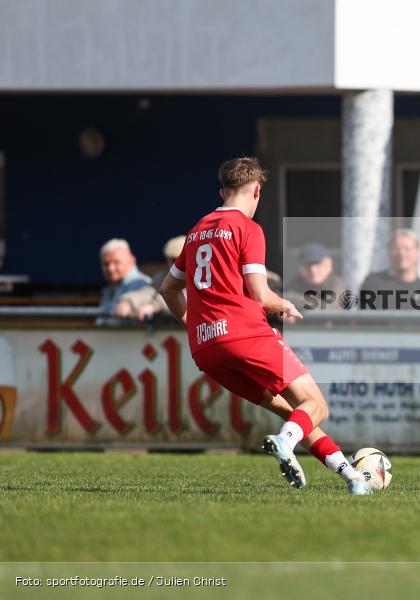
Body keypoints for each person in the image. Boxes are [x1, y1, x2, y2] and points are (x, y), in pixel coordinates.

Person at [159, 157, 370, 495]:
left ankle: (352, 477)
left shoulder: (197, 230)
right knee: (316, 405)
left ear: (222, 191)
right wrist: (283, 303)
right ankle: (285, 443)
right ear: (256, 191)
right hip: (246, 335)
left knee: (296, 412)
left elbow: (167, 289)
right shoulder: (247, 228)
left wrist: (191, 324)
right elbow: (260, 294)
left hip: (207, 349)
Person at [359, 229, 420, 310]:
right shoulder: (373, 283)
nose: (401, 254)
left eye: (407, 249)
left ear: (417, 252)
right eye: (396, 248)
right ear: (389, 251)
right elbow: (365, 319)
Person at [117, 236, 186, 321]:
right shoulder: (162, 276)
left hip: (189, 330)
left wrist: (153, 306)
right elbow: (149, 291)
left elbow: (186, 297)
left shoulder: (197, 276)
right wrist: (128, 301)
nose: (173, 264)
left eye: (177, 259)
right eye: (170, 259)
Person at [96, 238, 152, 326]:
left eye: (116, 262)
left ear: (132, 261)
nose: (110, 268)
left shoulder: (144, 285)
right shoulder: (109, 289)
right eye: (106, 264)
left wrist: (128, 303)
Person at [285, 242, 347, 312]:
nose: (313, 270)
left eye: (318, 264)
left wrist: (293, 301)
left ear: (329, 265)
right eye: (307, 265)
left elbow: (329, 308)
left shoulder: (336, 284)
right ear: (300, 268)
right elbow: (283, 300)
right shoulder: (296, 283)